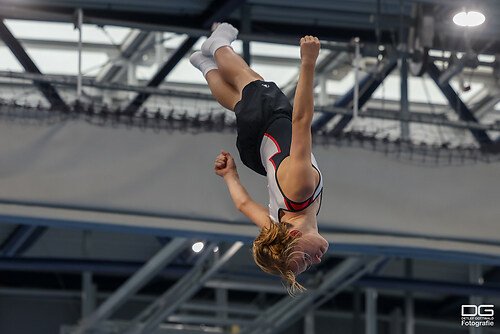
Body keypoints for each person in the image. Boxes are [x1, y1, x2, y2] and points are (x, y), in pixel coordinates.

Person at [190, 23, 329, 294]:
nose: (317, 259)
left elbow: (301, 121)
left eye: (306, 259)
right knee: (237, 101)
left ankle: (218, 44)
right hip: (257, 155)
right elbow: (243, 204)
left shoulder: (301, 189)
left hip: (270, 123)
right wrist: (229, 176)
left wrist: (308, 63)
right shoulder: (276, 227)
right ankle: (203, 63)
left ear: (294, 236)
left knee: (246, 77)